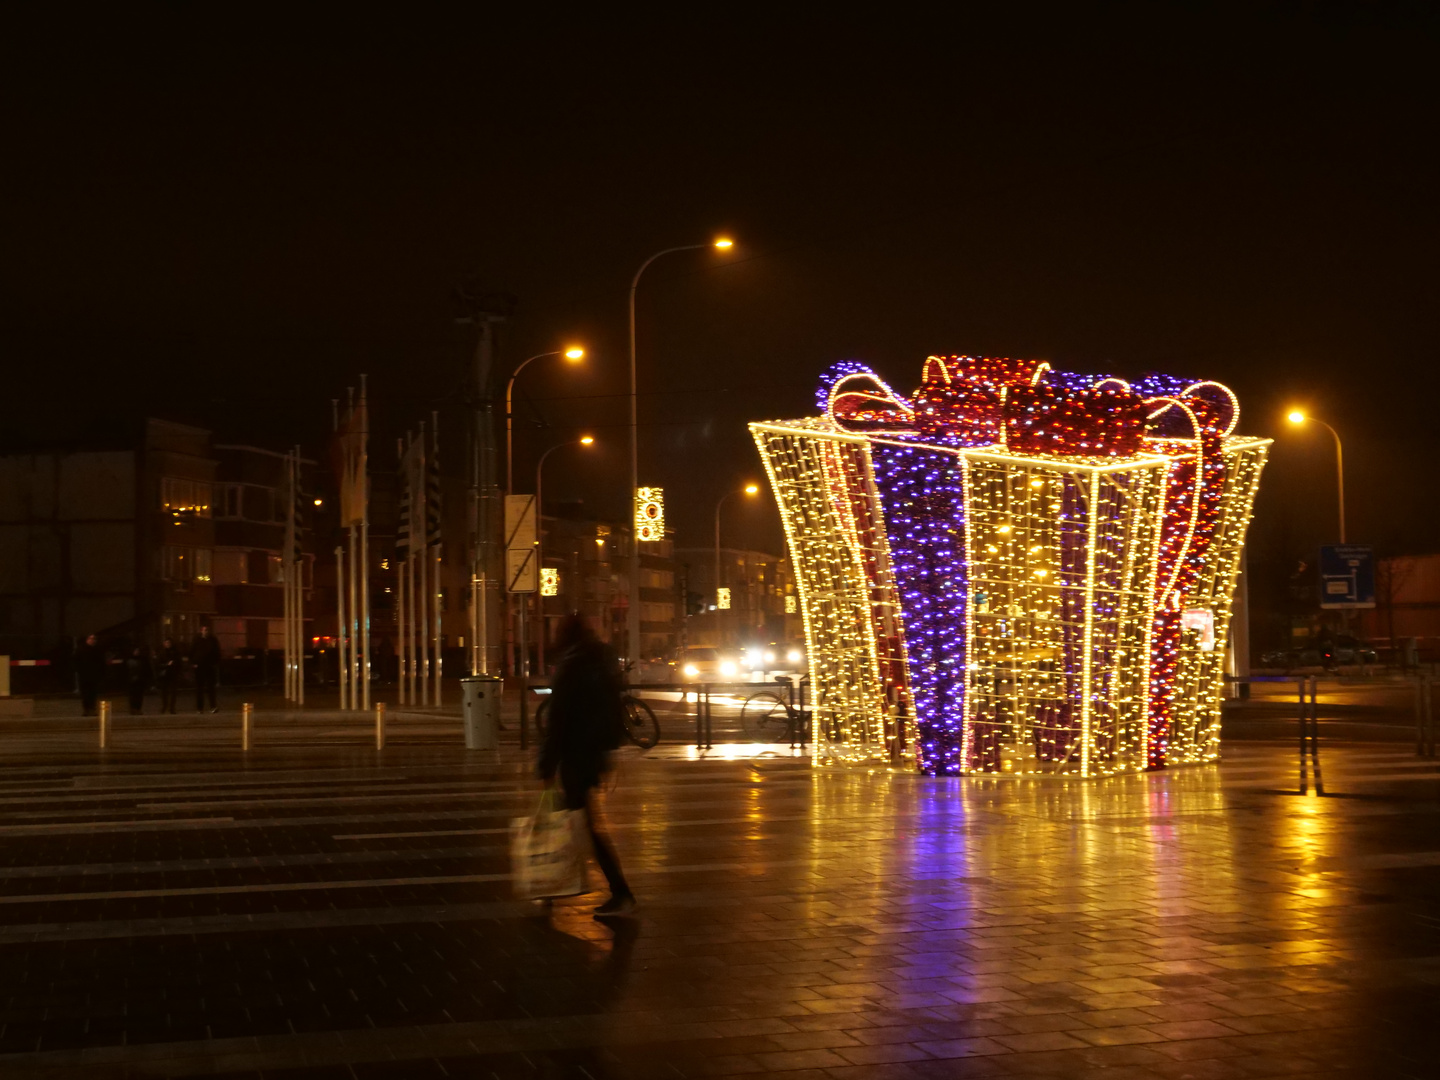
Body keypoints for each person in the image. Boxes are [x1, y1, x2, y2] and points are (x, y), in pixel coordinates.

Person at [538, 612, 636, 918]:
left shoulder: (571, 666)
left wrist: (546, 762)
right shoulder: (598, 660)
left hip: (576, 755)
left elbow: (559, 720)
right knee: (576, 820)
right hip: (594, 753)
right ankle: (551, 887)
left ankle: (620, 893)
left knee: (582, 825)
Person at [189, 624, 222, 713]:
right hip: (199, 667)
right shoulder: (197, 640)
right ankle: (200, 708)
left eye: (207, 630)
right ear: (201, 631)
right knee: (199, 688)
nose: (206, 632)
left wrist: (215, 663)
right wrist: (193, 663)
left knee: (211, 687)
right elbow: (191, 651)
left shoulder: (213, 640)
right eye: (205, 630)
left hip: (209, 666)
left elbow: (217, 652)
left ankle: (213, 706)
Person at [74, 633, 106, 716]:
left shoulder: (97, 650)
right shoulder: (81, 650)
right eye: (91, 639)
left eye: (94, 639)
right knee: (85, 693)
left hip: (94, 675)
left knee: (93, 693)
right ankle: (87, 709)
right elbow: (76, 661)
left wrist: (101, 673)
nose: (92, 640)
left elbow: (101, 662)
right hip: (84, 675)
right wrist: (79, 671)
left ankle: (92, 708)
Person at [156, 638, 181, 714]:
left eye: (169, 643)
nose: (168, 644)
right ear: (164, 644)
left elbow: (179, 662)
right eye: (166, 643)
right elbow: (158, 664)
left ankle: (171, 708)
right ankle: (164, 706)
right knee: (164, 692)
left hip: (173, 674)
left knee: (173, 692)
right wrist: (166, 665)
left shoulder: (175, 652)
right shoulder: (161, 653)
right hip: (165, 674)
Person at [125, 645, 151, 715]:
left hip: (139, 681)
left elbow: (146, 670)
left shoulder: (142, 660)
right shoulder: (129, 660)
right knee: (132, 696)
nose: (136, 652)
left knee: (139, 696)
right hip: (132, 681)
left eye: (137, 651)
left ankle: (137, 708)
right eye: (135, 651)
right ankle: (133, 708)